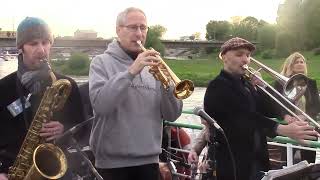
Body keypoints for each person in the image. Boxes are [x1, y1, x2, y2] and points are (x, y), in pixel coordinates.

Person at [203, 37, 319, 180]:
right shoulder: (218, 86)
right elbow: (242, 116)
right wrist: (280, 128)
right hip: (232, 161)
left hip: (256, 160)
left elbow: (270, 110)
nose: (245, 60)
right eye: (239, 54)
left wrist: (262, 87)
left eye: (248, 55)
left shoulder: (246, 85)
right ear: (224, 57)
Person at [88, 7, 183, 180]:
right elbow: (101, 105)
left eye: (143, 27)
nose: (139, 33)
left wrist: (168, 87)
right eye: (132, 27)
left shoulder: (153, 66)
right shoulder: (100, 63)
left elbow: (173, 114)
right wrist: (132, 71)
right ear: (118, 30)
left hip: (149, 162)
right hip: (112, 165)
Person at [0, 17, 85, 180]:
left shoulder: (65, 85)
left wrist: (64, 128)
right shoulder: (4, 88)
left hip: (56, 168)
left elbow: (82, 127)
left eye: (45, 42)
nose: (41, 50)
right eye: (33, 44)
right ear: (21, 48)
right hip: (13, 169)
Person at [274, 52, 320, 163]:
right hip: (289, 125)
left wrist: (305, 117)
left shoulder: (311, 83)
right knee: (287, 159)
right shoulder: (281, 83)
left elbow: (316, 105)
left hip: (308, 125)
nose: (300, 64)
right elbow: (276, 103)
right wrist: (285, 115)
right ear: (290, 65)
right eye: (296, 62)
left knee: (309, 160)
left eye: (302, 62)